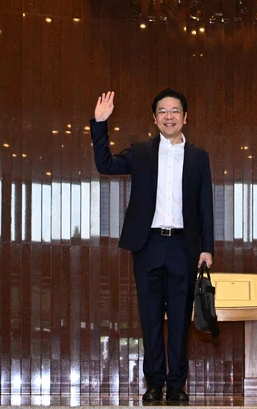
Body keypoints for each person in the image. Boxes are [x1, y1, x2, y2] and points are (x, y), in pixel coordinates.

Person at [91, 89, 214, 403]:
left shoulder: (199, 157)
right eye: (163, 111)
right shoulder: (142, 151)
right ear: (155, 118)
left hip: (184, 247)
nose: (169, 116)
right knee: (150, 318)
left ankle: (176, 384)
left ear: (185, 117)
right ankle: (155, 382)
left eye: (175, 111)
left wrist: (207, 247)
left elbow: (205, 205)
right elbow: (105, 164)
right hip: (147, 245)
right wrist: (99, 123)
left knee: (179, 319)